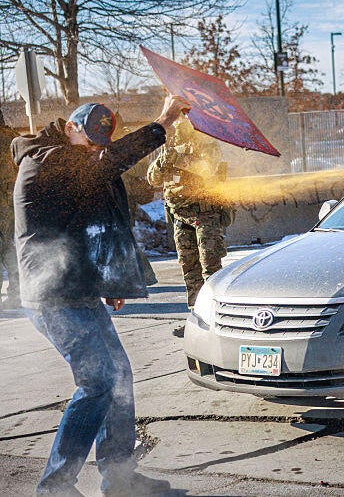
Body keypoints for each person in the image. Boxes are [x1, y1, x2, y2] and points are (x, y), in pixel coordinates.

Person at [14, 95, 190, 496]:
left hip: (77, 290)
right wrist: (162, 123)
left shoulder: (71, 161)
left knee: (119, 377)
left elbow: (89, 221)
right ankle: (55, 486)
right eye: (89, 141)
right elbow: (106, 166)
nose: (95, 151)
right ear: (71, 127)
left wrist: (108, 279)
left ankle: (119, 476)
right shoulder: (45, 159)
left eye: (100, 146)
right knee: (98, 383)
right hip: (53, 295)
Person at [147, 118, 230, 314]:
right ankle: (197, 316)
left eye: (180, 129)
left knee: (210, 268)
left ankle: (217, 315)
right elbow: (152, 179)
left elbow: (207, 169)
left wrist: (178, 158)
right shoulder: (171, 148)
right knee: (189, 269)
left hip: (204, 215)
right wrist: (164, 161)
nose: (176, 134)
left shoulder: (206, 143)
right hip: (180, 215)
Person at [0, 112, 19, 309]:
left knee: (5, 247)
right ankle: (18, 291)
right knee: (10, 245)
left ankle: (17, 293)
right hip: (16, 198)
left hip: (2, 202)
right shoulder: (14, 137)